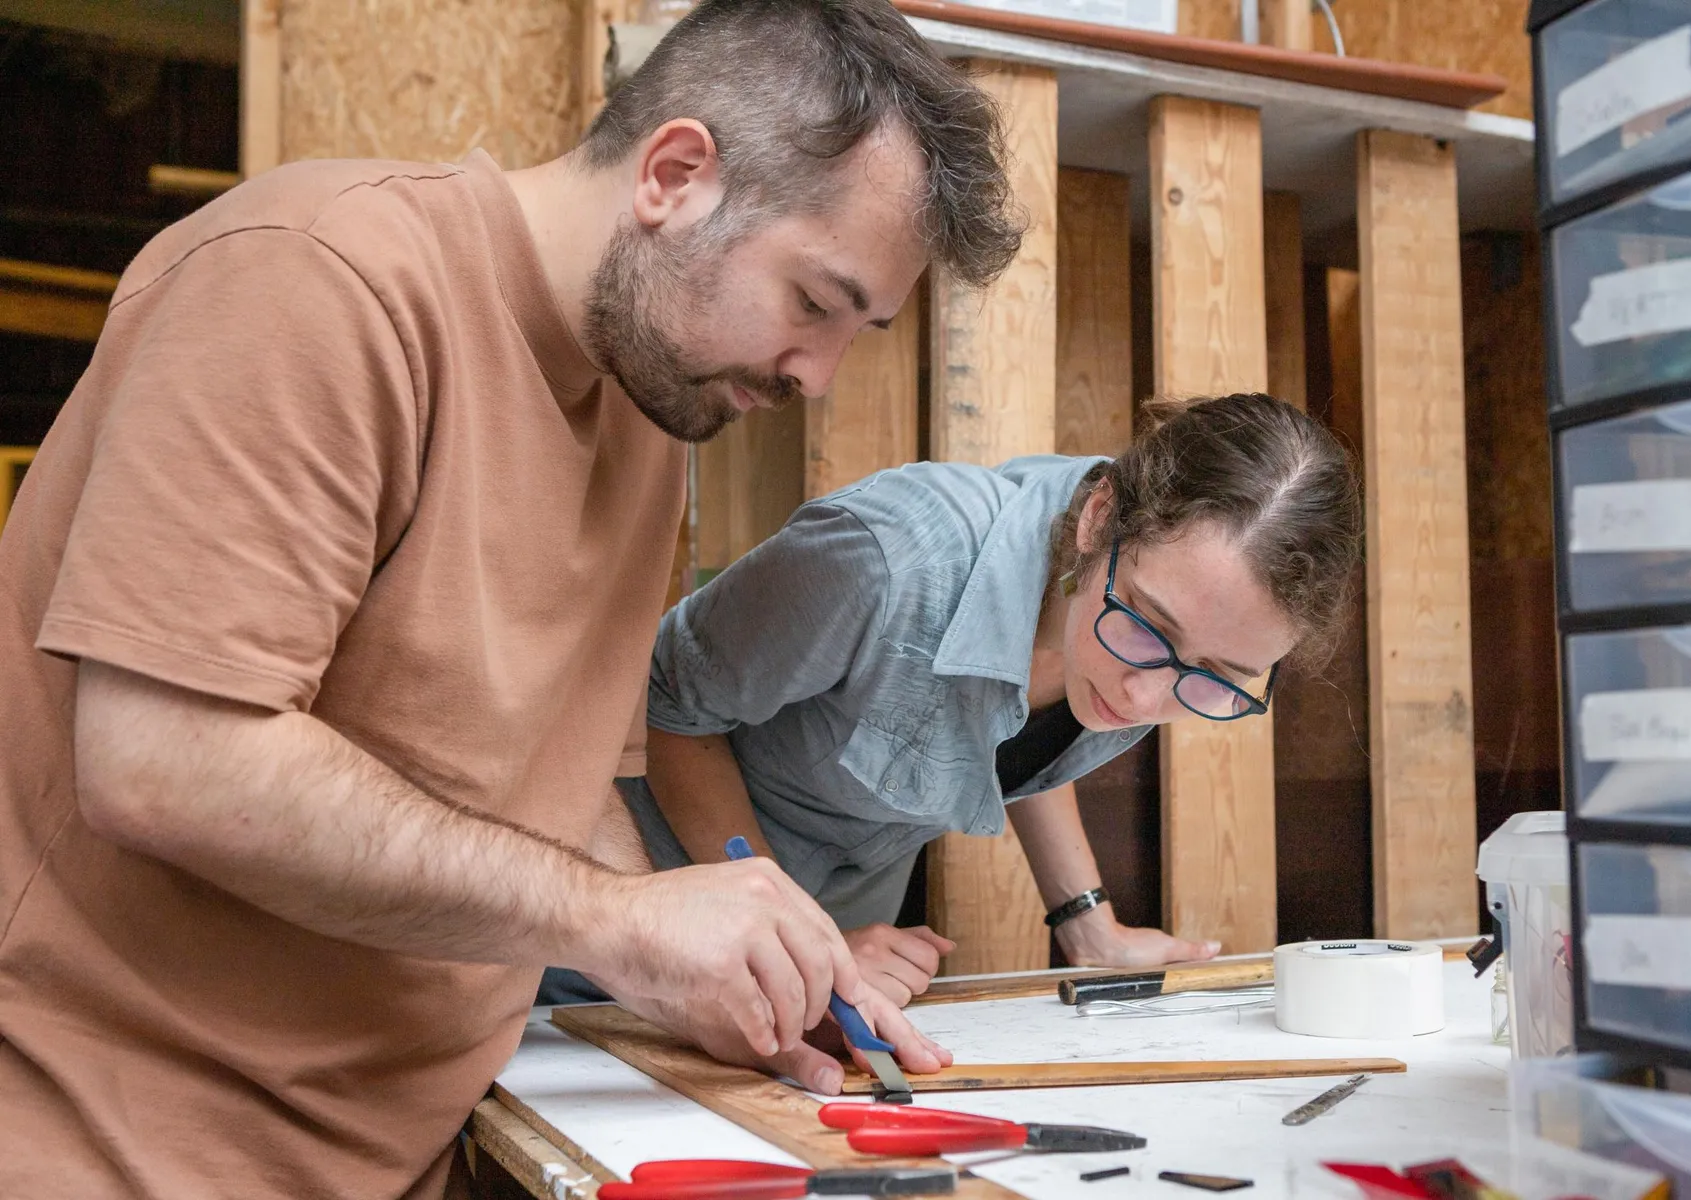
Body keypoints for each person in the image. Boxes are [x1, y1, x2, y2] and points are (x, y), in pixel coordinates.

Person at [0, 1, 1022, 1196]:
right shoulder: (316, 279)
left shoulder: (653, 402)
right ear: (676, 174)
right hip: (117, 1142)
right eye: (814, 301)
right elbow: (166, 759)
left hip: (427, 1139)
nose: (817, 373)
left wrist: (678, 959)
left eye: (863, 330)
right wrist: (619, 923)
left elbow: (554, 776)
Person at [542, 392, 1361, 1010]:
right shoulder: (886, 560)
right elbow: (657, 703)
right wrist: (796, 940)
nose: (1147, 694)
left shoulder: (1149, 611)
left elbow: (1014, 729)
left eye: (1214, 675)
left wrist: (1088, 923)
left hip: (806, 974)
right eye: (1146, 627)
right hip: (597, 923)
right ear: (1100, 516)